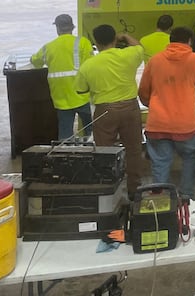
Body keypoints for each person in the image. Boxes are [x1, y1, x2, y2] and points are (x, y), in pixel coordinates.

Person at [138, 26, 195, 201]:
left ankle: (160, 201)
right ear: (189, 41)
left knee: (160, 163)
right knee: (189, 159)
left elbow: (143, 92)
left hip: (157, 124)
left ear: (170, 41)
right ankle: (186, 198)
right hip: (185, 125)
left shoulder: (155, 61)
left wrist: (153, 105)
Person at [74, 24, 145, 196]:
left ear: (95, 43)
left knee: (104, 152)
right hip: (130, 108)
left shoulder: (88, 65)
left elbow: (80, 90)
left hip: (104, 111)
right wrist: (124, 37)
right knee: (134, 150)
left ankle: (108, 191)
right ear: (115, 38)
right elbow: (139, 47)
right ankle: (134, 190)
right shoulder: (129, 54)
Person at [30, 13, 94, 141]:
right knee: (90, 127)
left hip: (61, 95)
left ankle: (66, 153)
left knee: (65, 131)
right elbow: (91, 66)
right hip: (81, 93)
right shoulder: (83, 43)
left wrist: (32, 58)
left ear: (57, 28)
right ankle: (92, 147)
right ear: (72, 27)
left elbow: (35, 62)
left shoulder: (48, 47)